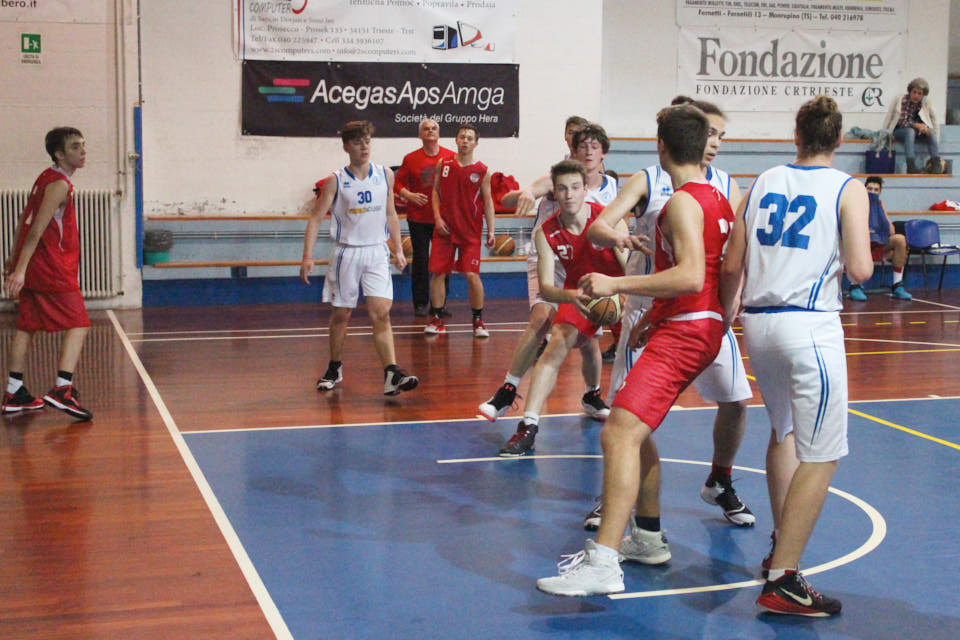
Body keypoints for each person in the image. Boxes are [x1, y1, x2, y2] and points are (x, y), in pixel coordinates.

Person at [536, 104, 734, 596]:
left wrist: (615, 283)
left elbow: (691, 276)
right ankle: (646, 538)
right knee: (635, 431)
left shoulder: (682, 203)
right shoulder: (720, 197)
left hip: (687, 330)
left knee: (618, 433)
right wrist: (655, 317)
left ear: (661, 147)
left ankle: (603, 562)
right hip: (691, 323)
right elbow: (725, 273)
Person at [720, 96, 872, 616]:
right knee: (823, 453)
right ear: (840, 139)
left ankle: (779, 550)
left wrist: (726, 313)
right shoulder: (847, 187)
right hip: (808, 325)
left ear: (797, 135)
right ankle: (784, 577)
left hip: (758, 325)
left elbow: (732, 263)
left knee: (783, 431)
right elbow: (861, 269)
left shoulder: (763, 181)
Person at [583, 98, 754, 535]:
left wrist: (615, 284)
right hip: (662, 308)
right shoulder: (654, 181)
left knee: (728, 402)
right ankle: (628, 511)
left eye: (720, 135)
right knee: (625, 422)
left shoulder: (717, 189)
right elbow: (599, 227)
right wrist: (621, 239)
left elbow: (716, 267)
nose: (715, 142)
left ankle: (716, 481)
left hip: (693, 314)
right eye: (710, 133)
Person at [478, 122, 617, 422]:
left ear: (604, 152)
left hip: (585, 266)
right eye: (582, 146)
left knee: (588, 340)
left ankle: (592, 395)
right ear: (573, 150)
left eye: (594, 147)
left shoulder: (611, 189)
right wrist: (526, 193)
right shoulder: (559, 182)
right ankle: (507, 390)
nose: (588, 152)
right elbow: (519, 195)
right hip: (549, 257)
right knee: (542, 318)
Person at [498, 159, 628, 456]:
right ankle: (528, 425)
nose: (569, 195)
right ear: (554, 193)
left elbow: (630, 271)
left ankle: (603, 399)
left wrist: (620, 297)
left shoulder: (607, 220)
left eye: (575, 188)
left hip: (620, 290)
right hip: (580, 292)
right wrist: (571, 296)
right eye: (562, 189)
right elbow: (546, 288)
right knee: (556, 344)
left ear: (585, 190)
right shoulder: (545, 232)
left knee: (617, 354)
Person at [300, 120, 418, 396]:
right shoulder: (335, 181)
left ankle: (391, 373)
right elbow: (316, 219)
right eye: (357, 142)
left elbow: (390, 213)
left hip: (377, 251)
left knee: (381, 312)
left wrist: (398, 248)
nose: (364, 146)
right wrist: (307, 255)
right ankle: (334, 367)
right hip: (347, 253)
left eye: (367, 141)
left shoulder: (385, 174)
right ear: (346, 147)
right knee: (342, 314)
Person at [2, 127, 93, 420]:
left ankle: (14, 392)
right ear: (59, 154)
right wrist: (19, 270)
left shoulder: (46, 177)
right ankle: (62, 389)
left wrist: (14, 258)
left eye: (83, 145)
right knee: (79, 323)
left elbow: (23, 219)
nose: (83, 151)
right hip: (50, 267)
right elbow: (37, 229)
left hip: (36, 265)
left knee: (26, 325)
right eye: (75, 147)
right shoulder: (59, 185)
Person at [423, 125, 496, 338]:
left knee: (472, 275)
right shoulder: (443, 164)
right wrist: (437, 218)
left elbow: (488, 203)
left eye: (469, 138)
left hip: (470, 232)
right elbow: (435, 193)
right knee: (438, 273)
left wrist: (491, 231)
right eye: (462, 137)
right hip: (445, 229)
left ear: (476, 143)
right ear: (456, 140)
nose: (465, 140)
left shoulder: (483, 171)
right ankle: (437, 318)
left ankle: (478, 320)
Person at [394, 119, 456, 316]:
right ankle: (420, 303)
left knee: (443, 262)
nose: (430, 131)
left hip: (443, 219)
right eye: (426, 129)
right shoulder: (410, 158)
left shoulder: (451, 157)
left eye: (434, 128)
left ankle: (440, 304)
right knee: (421, 261)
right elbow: (396, 183)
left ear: (439, 133)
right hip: (418, 218)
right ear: (420, 135)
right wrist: (409, 195)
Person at [848, 176, 912, 300]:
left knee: (900, 239)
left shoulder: (881, 204)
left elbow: (891, 232)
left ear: (880, 192)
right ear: (864, 189)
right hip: (860, 244)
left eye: (876, 190)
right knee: (855, 241)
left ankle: (897, 285)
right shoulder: (855, 203)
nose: (872, 192)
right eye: (869, 189)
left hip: (879, 243)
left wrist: (883, 214)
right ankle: (854, 285)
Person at [883, 77, 942, 174]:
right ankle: (910, 166)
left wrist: (928, 131)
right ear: (910, 91)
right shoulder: (901, 100)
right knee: (910, 132)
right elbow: (902, 121)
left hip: (917, 131)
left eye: (919, 93)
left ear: (923, 95)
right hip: (900, 130)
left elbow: (934, 121)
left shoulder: (926, 103)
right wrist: (916, 125)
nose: (916, 96)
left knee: (930, 131)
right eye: (914, 92)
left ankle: (936, 164)